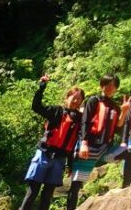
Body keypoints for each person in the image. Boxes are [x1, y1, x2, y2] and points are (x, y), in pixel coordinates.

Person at [66, 74, 131, 210]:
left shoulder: (115, 107)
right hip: (88, 147)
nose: (109, 88)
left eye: (113, 86)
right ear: (102, 85)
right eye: (107, 84)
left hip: (105, 149)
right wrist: (83, 142)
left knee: (130, 153)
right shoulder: (93, 100)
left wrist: (124, 112)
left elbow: (118, 128)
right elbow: (85, 121)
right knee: (76, 184)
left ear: (116, 89)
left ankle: (126, 189)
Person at [19, 75, 84, 210]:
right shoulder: (56, 111)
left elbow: (72, 145)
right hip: (44, 154)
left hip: (60, 160)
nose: (76, 101)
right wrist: (41, 88)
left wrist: (71, 165)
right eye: (74, 97)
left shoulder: (79, 120)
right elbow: (36, 107)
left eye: (79, 99)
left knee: (47, 195)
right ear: (67, 98)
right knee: (32, 192)